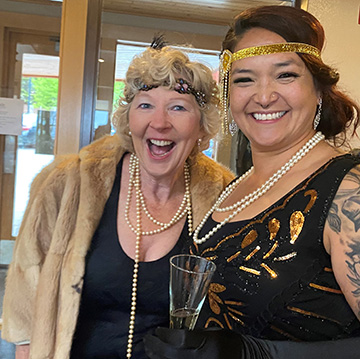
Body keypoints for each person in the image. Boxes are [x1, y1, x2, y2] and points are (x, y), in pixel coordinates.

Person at [144, 6, 360, 358]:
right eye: (244, 79)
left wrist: (259, 353)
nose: (263, 96)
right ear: (230, 96)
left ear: (318, 90)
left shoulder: (348, 193)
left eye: (285, 76)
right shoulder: (234, 189)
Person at [1, 38, 234, 359]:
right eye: (145, 104)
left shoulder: (227, 197)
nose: (160, 122)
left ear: (202, 125)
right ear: (128, 118)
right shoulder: (67, 183)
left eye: (178, 107)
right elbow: (24, 312)